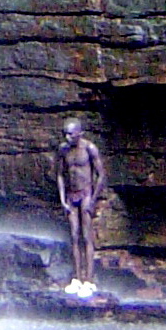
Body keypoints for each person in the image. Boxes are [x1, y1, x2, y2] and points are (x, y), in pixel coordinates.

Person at [56, 117, 106, 293]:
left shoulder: (89, 148)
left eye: (71, 134)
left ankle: (89, 280)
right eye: (66, 134)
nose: (68, 137)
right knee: (74, 236)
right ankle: (77, 278)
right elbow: (60, 174)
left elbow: (101, 175)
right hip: (71, 195)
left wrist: (93, 200)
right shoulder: (63, 150)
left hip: (86, 194)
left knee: (87, 236)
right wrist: (62, 199)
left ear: (80, 133)